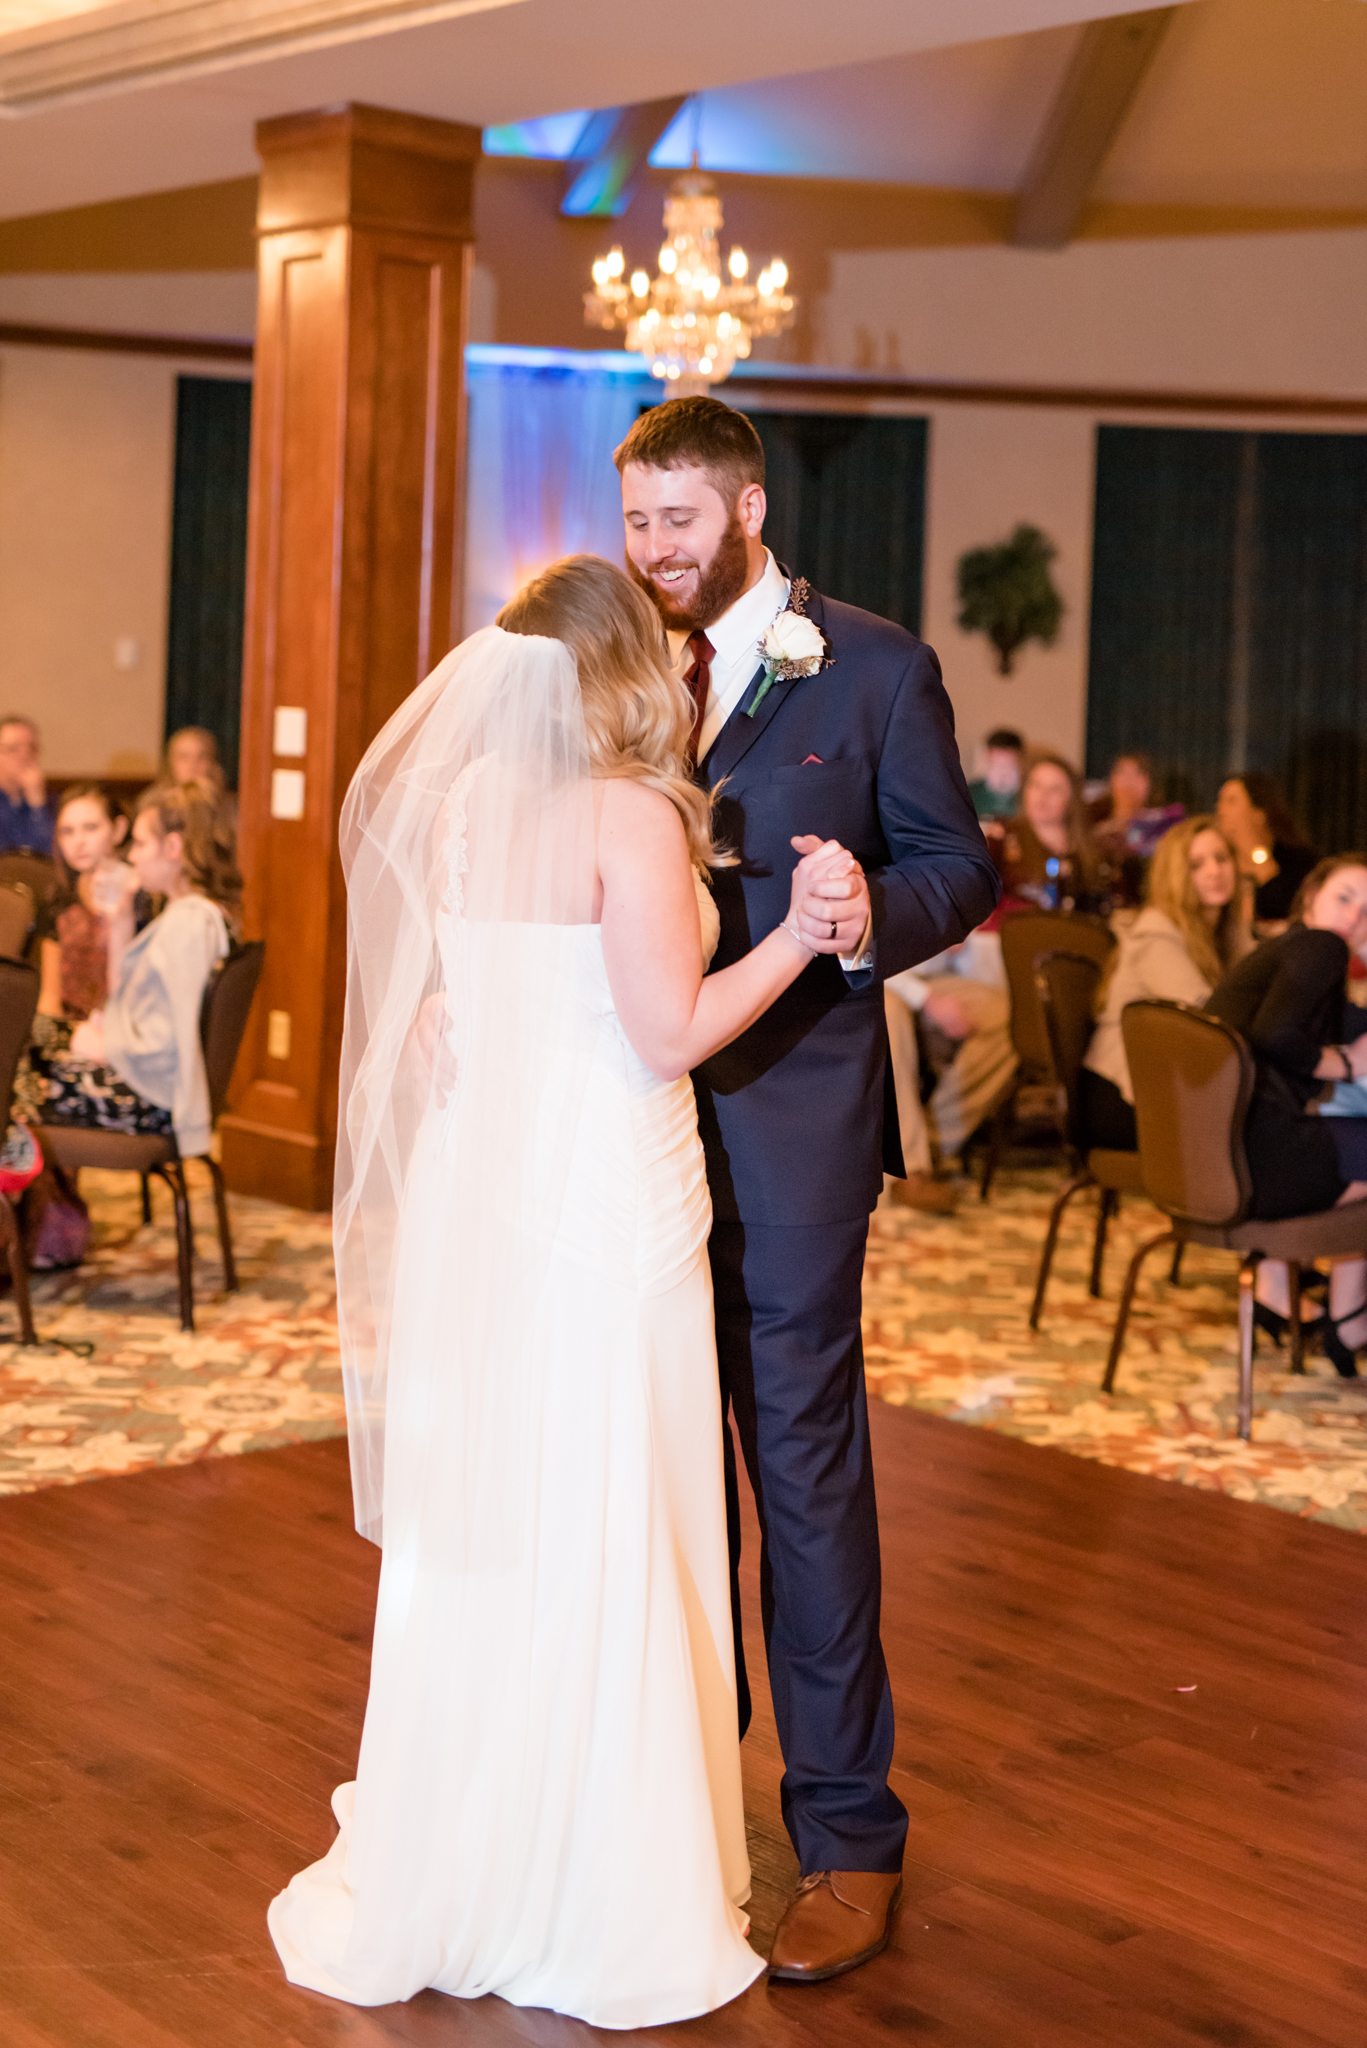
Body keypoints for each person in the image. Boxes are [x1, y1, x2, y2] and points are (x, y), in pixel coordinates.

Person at [268, 558, 863, 2025]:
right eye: (663, 650)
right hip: (610, 1205)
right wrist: (797, 935)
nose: (679, 668)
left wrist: (432, 1025)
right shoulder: (634, 816)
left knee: (507, 1514)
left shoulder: (473, 807)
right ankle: (600, 1881)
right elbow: (667, 1031)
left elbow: (448, 995)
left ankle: (465, 1846)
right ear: (616, 670)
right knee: (616, 1509)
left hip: (496, 1198)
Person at [617, 396, 999, 1983]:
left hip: (792, 1136)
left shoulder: (877, 665)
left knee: (801, 1473)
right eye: (635, 524)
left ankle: (846, 1837)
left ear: (748, 511)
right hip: (628, 1125)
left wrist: (857, 917)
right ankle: (690, 1806)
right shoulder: (612, 659)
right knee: (659, 1474)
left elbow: (959, 866)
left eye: (678, 526)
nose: (651, 556)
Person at [1205, 855, 1367, 1377]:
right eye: (1344, 898)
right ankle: (1350, 1321)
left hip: (1210, 1159)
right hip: (1259, 1157)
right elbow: (1275, 1037)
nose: (1354, 919)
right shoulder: (1321, 946)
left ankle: (1336, 1313)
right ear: (1310, 898)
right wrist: (1342, 1063)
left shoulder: (1291, 957)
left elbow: (1346, 1026)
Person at [23, 785, 236, 1157]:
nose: (132, 857)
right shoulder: (192, 915)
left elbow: (166, 1042)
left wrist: (103, 1045)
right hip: (150, 1085)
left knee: (13, 1079)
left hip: (149, 1096)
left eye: (139, 844)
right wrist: (121, 923)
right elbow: (137, 1004)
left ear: (172, 848)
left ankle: (35, 1209)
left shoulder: (186, 925)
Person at [1081, 816, 1253, 1152]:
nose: (1214, 872)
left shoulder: (1227, 936)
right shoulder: (1157, 933)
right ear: (1175, 875)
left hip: (1174, 1085)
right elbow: (1209, 1018)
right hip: (1123, 1099)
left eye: (1221, 859)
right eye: (1196, 865)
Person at [883, 931, 1014, 1212]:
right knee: (885, 1015)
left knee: (1010, 1017)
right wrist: (925, 999)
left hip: (931, 974)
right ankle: (906, 1170)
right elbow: (848, 950)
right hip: (866, 974)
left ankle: (932, 1142)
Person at [36, 784, 131, 1026]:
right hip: (71, 1030)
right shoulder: (58, 900)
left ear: (118, 830)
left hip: (128, 1027)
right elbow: (50, 995)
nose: (79, 842)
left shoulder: (142, 897)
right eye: (67, 832)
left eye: (91, 828)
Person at [990, 750, 1110, 918]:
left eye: (1055, 789)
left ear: (1071, 798)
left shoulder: (1090, 852)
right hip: (1014, 936)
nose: (1043, 796)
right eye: (1036, 785)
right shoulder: (1001, 841)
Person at [1215, 770, 1316, 929]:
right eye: (1220, 801)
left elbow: (1288, 908)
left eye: (1231, 801)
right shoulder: (1217, 859)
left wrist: (1257, 858)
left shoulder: (1298, 861)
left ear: (1259, 812)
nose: (1220, 809)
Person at [153, 725, 238, 857]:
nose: (192, 766)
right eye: (183, 757)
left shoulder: (229, 808)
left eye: (201, 757)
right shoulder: (154, 805)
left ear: (213, 763)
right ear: (170, 763)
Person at [0, 714, 54, 854]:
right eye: (13, 749)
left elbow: (51, 856)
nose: (25, 756)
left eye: (32, 748)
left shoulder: (51, 803)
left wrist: (37, 804)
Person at [967, 727, 1024, 822]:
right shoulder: (969, 792)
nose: (1003, 773)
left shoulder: (1028, 795)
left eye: (1009, 766)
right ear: (987, 756)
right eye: (997, 765)